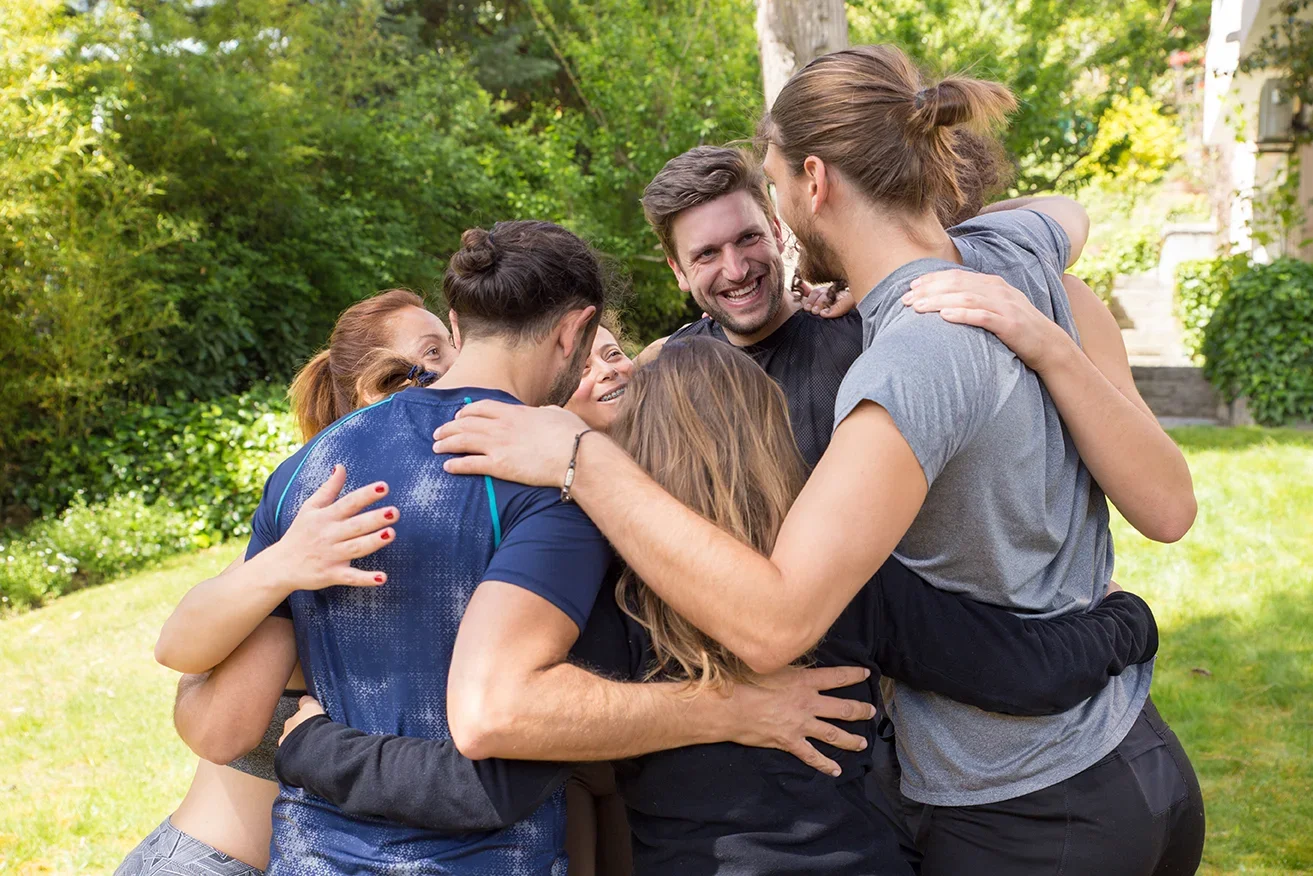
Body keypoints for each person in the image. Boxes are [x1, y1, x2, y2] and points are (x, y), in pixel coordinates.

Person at [432, 46, 1206, 876]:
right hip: (1130, 759)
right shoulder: (1004, 255)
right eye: (704, 255)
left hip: (1024, 804)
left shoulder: (900, 361)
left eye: (765, 202)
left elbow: (786, 621)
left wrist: (581, 455)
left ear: (810, 184)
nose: (740, 263)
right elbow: (1068, 220)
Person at [153, 220, 893, 875]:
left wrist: (308, 739)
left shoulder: (306, 472)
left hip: (309, 855)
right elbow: (506, 718)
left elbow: (225, 722)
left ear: (457, 318)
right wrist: (728, 708)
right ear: (574, 330)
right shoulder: (549, 482)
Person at [118, 290, 458, 875]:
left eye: (456, 348)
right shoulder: (326, 521)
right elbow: (195, 687)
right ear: (376, 390)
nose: (457, 366)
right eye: (432, 353)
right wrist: (284, 564)